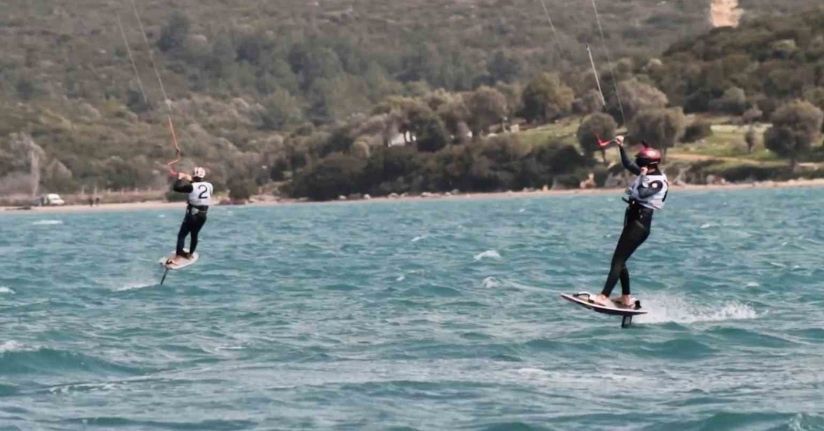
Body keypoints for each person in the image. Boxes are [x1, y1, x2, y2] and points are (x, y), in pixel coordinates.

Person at [592, 136, 668, 308]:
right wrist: (621, 147)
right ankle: (625, 298)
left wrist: (641, 177)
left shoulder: (657, 182)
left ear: (649, 165)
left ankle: (604, 296)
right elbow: (627, 164)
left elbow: (641, 194)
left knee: (617, 261)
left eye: (641, 164)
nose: (639, 167)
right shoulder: (647, 172)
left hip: (639, 226)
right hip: (633, 222)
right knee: (621, 261)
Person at [167, 166, 213, 265]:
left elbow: (176, 188)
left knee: (182, 235)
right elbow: (198, 189)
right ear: (203, 176)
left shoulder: (191, 187)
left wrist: (179, 178)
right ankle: (190, 254)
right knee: (194, 234)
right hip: (203, 215)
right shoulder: (209, 185)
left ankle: (177, 258)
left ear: (193, 175)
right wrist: (191, 180)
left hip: (192, 215)